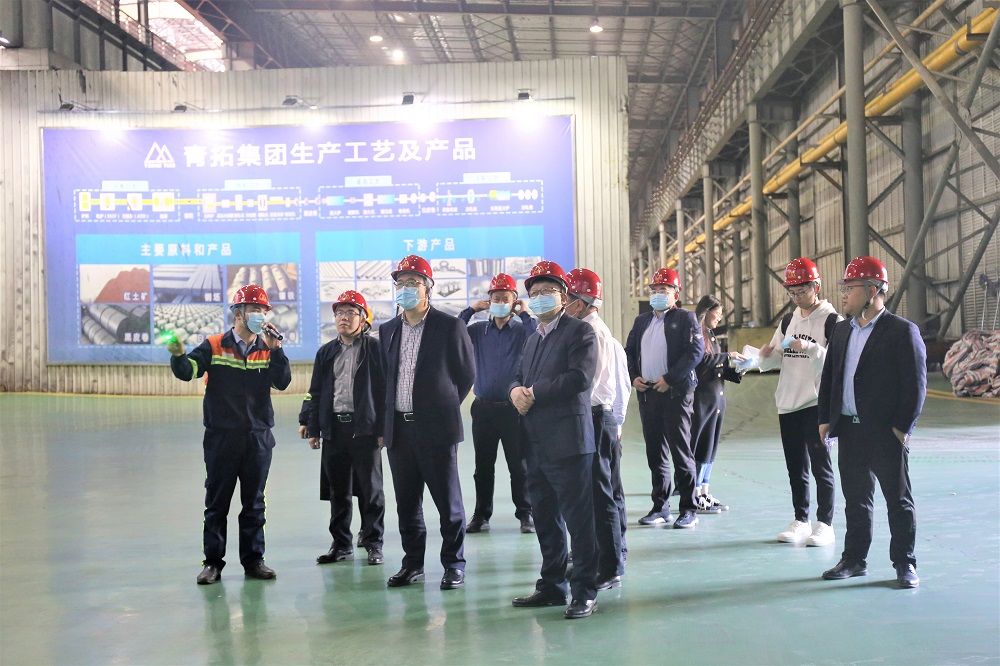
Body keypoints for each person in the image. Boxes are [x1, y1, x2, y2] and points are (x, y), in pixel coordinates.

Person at [167, 284, 291, 585]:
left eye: (263, 310)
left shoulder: (267, 348)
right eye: (255, 310)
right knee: (217, 503)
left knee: (254, 503)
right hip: (222, 439)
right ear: (238, 313)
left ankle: (254, 561)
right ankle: (212, 563)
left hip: (258, 438)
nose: (260, 315)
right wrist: (179, 355)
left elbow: (282, 382)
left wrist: (277, 350)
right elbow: (188, 371)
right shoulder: (214, 345)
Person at [818, 256, 926, 588]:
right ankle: (854, 559)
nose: (844, 294)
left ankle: (904, 562)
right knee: (856, 500)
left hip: (885, 433)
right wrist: (825, 418)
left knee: (898, 500)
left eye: (849, 288)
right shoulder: (841, 331)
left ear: (871, 290)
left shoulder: (901, 331)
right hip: (849, 430)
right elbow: (830, 378)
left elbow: (915, 385)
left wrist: (902, 427)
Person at [378, 255, 475, 591]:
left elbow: (465, 375)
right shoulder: (388, 330)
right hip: (399, 431)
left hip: (437, 431)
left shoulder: (450, 326)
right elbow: (386, 379)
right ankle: (412, 564)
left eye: (413, 282)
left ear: (427, 288)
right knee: (407, 504)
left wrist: (440, 407)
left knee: (448, 504)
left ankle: (454, 564)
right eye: (401, 283)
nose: (405, 288)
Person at [509, 261, 600, 619]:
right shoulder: (533, 338)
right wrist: (515, 390)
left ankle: (584, 591)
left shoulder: (580, 332)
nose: (540, 298)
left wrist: (534, 393)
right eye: (534, 293)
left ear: (563, 296)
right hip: (535, 442)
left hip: (569, 442)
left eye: (547, 291)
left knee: (579, 521)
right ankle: (552, 586)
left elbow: (580, 378)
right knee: (545, 519)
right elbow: (518, 376)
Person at [758, 258, 841, 547]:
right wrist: (765, 356)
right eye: (792, 292)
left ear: (816, 286)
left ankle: (825, 524)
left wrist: (811, 348)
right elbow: (774, 359)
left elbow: (837, 363)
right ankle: (801, 520)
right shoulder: (788, 321)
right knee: (796, 467)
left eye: (801, 291)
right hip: (788, 403)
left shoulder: (832, 321)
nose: (796, 297)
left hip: (816, 403)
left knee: (821, 466)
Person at [304, 290, 386, 567]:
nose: (344, 318)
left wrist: (383, 428)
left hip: (365, 429)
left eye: (351, 312)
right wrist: (313, 428)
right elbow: (315, 392)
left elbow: (384, 391)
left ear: (364, 319)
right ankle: (341, 545)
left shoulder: (375, 349)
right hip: (334, 431)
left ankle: (373, 543)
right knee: (338, 492)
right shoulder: (326, 352)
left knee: (371, 491)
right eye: (340, 312)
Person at [624, 268, 705, 529]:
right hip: (648, 394)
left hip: (675, 394)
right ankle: (660, 507)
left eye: (664, 290)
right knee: (655, 453)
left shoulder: (685, 318)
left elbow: (696, 352)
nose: (658, 294)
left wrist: (670, 378)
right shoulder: (642, 321)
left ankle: (688, 509)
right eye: (655, 290)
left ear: (675, 295)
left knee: (681, 452)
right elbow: (629, 351)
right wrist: (634, 376)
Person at [458, 274, 536, 535]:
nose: (501, 302)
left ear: (514, 301)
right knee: (483, 467)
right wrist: (471, 310)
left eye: (506, 298)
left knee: (519, 466)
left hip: (513, 409)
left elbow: (537, 337)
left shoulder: (521, 331)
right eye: (496, 298)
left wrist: (524, 314)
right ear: (488, 300)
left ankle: (526, 513)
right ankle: (481, 515)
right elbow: (453, 332)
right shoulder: (477, 331)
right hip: (483, 409)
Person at [565, 267, 625, 589]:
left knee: (601, 497)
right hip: (590, 417)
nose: (564, 304)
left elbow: (587, 382)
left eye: (567, 298)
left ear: (581, 302)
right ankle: (594, 560)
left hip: (595, 417)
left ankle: (610, 567)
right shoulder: (586, 329)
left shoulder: (592, 332)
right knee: (589, 496)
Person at [691, 295, 744, 513]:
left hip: (716, 398)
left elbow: (717, 366)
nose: (719, 318)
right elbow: (702, 360)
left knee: (710, 447)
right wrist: (728, 356)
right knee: (700, 445)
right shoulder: (696, 334)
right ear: (707, 311)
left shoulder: (711, 336)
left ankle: (704, 490)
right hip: (702, 398)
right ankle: (694, 493)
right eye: (718, 313)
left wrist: (738, 369)